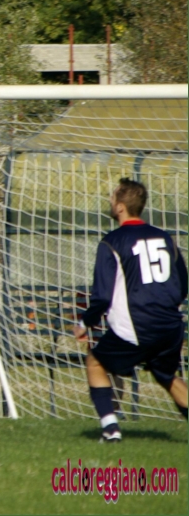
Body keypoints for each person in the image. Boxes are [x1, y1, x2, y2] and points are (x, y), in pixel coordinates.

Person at [73, 178, 188, 442]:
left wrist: (84, 323)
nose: (110, 200)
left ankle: (110, 430)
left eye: (113, 197)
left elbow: (102, 297)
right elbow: (183, 284)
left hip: (136, 326)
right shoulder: (165, 238)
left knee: (95, 361)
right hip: (170, 324)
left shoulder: (112, 241)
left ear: (120, 206)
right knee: (168, 377)